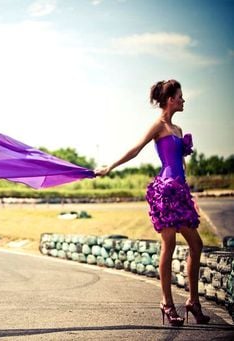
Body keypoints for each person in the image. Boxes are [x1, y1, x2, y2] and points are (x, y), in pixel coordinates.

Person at [95, 80, 210, 326]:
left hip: (180, 191)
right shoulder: (158, 126)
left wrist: (187, 189)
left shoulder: (178, 129)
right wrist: (110, 167)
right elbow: (136, 149)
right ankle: (167, 303)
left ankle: (192, 301)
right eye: (180, 96)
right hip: (166, 191)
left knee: (196, 244)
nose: (183, 100)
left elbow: (181, 163)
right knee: (168, 244)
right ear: (170, 100)